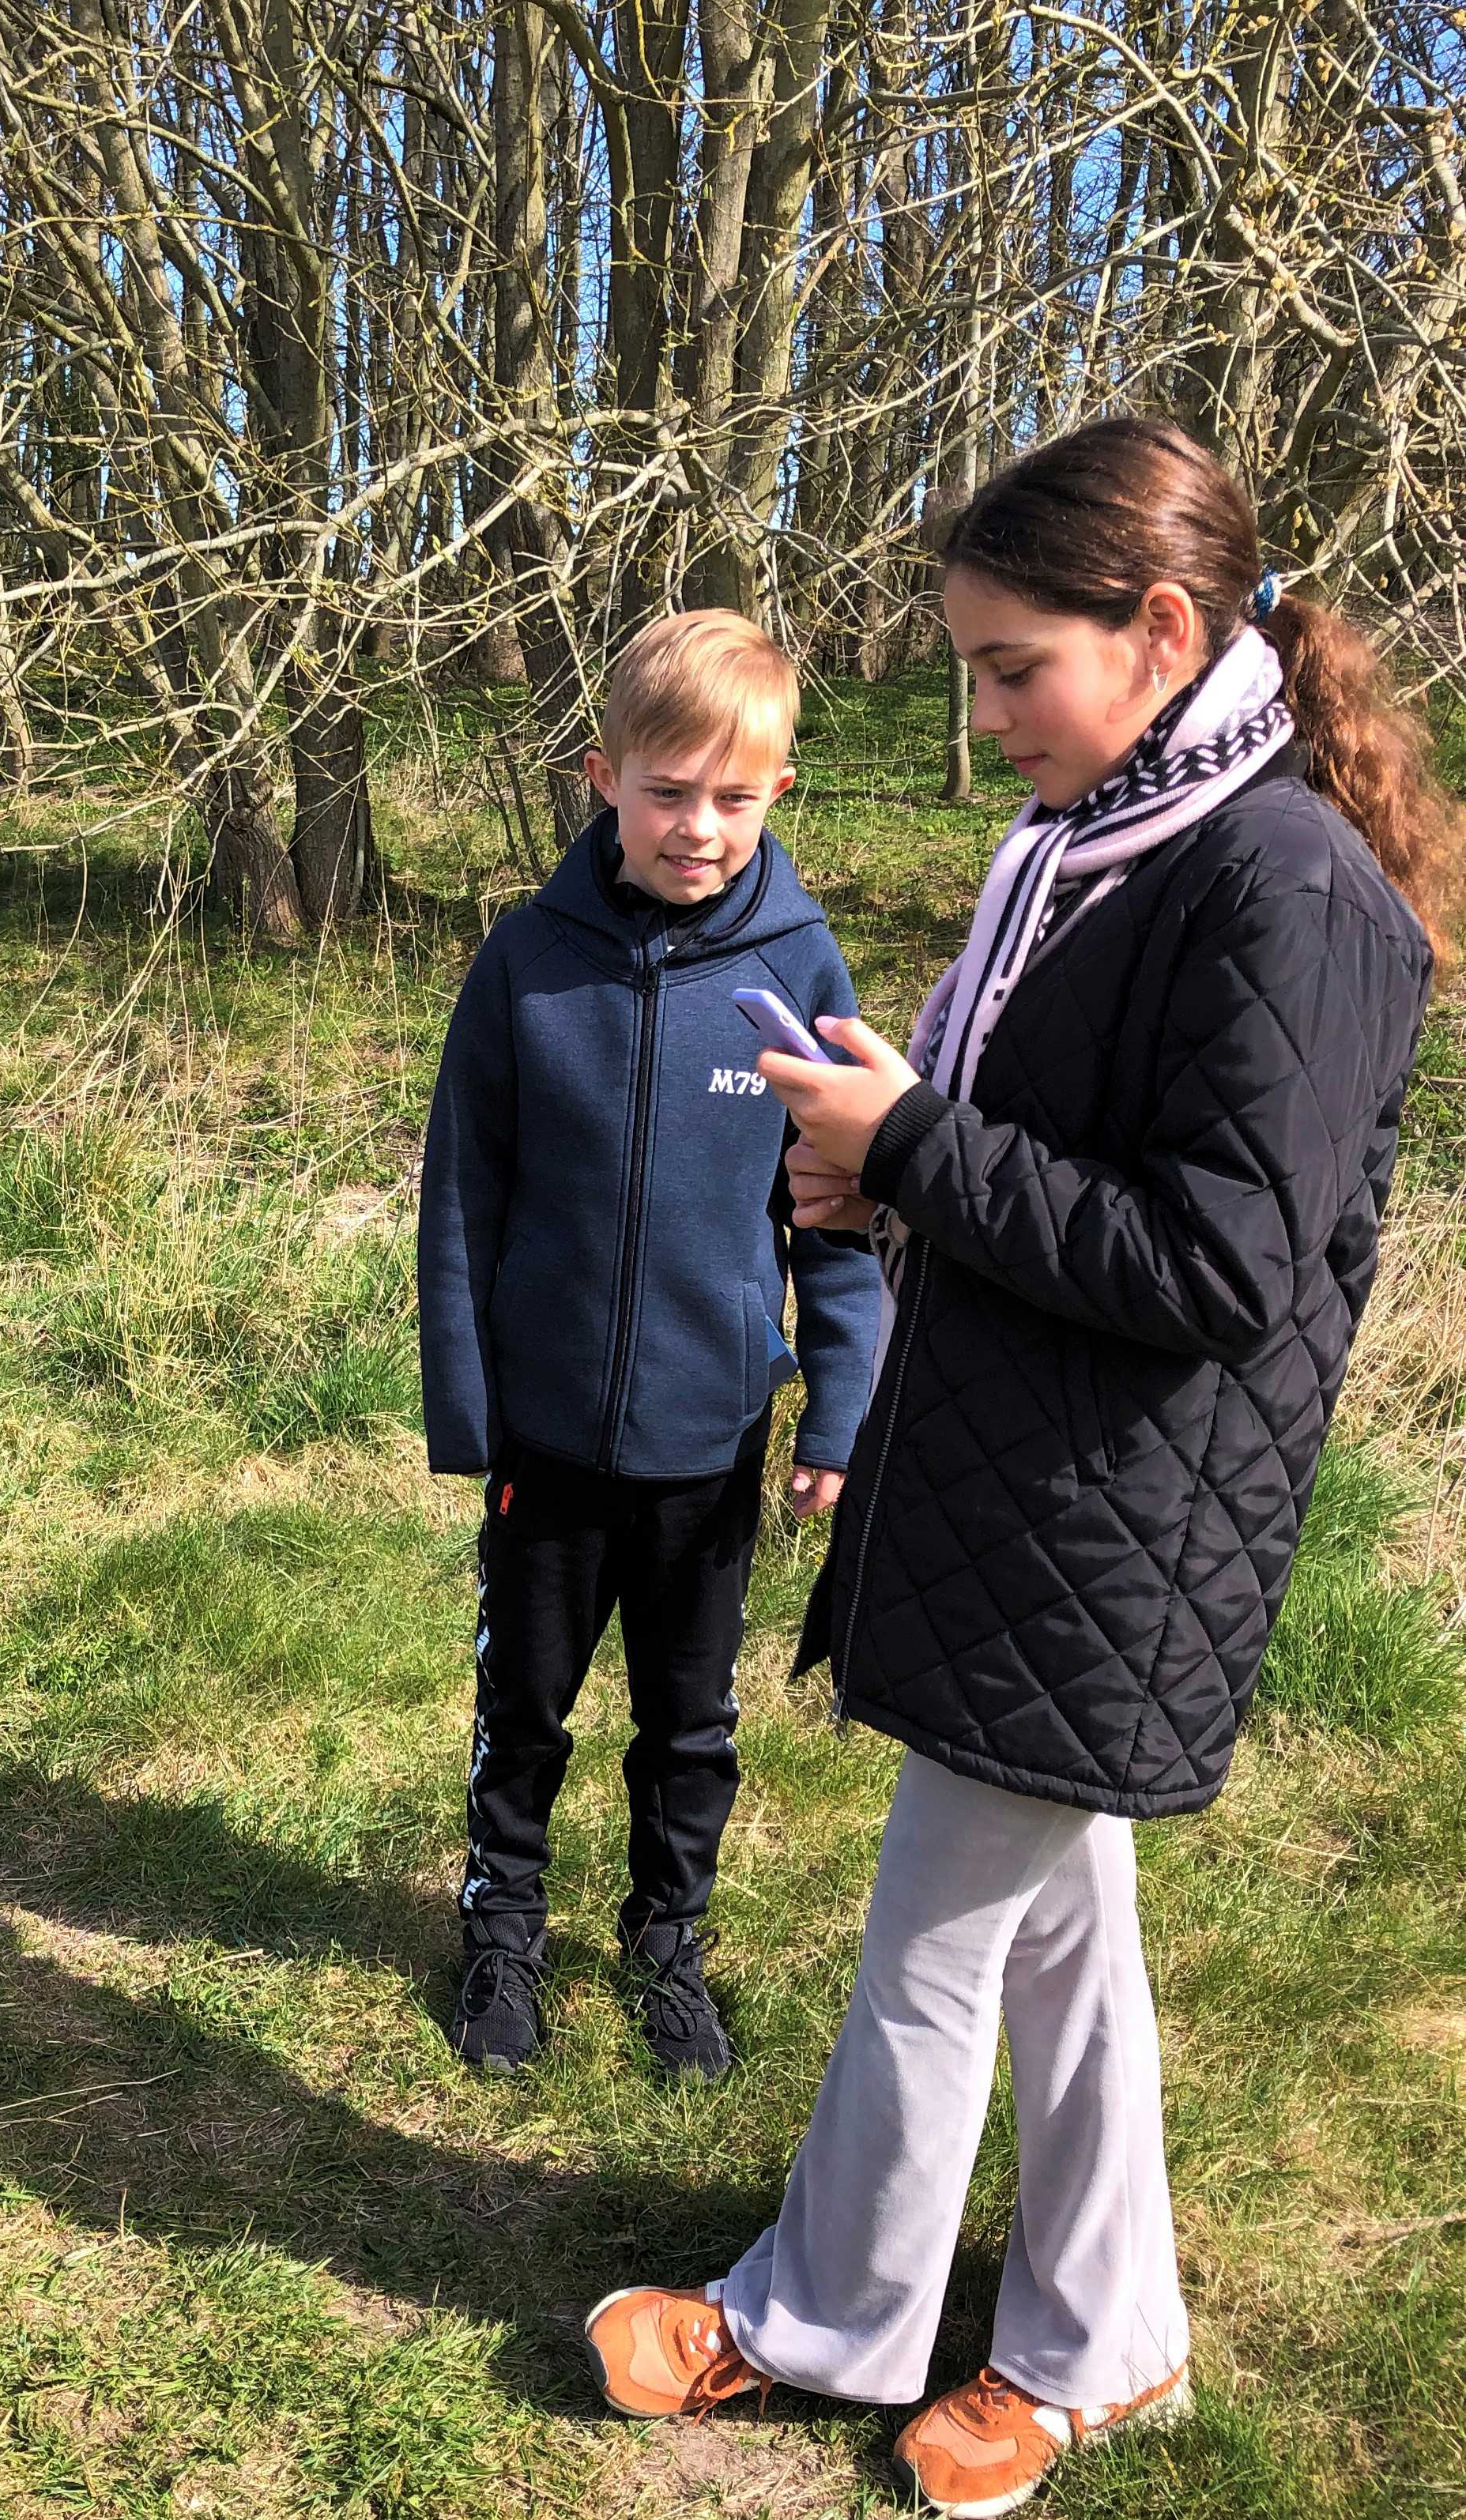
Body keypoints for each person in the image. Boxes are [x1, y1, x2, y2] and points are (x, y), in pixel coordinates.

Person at [583, 418, 1454, 2513]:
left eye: (1007, 668)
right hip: (1045, 1488)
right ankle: (1103, 2338)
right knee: (1065, 1939)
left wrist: (912, 1150)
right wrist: (901, 1150)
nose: (979, 720)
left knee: (932, 1943)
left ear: (1158, 632)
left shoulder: (1280, 885)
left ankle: (810, 2321)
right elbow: (1081, 1174)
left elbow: (1219, 1259)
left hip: (1122, 1517)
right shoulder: (1126, 845)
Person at [418, 608, 880, 2079]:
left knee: (690, 1719)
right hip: (546, 1437)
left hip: (709, 1434)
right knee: (527, 1699)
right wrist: (469, 1407)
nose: (698, 827)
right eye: (667, 791)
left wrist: (836, 1408)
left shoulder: (800, 973)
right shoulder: (526, 964)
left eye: (733, 799)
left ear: (778, 794)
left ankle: (666, 1939)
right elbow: (461, 1195)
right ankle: (504, 1927)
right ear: (600, 775)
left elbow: (838, 1214)